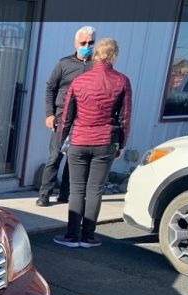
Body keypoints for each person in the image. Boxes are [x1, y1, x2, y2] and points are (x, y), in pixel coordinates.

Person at [54, 38, 132, 248]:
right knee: (95, 190)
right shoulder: (122, 81)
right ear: (114, 55)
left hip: (79, 139)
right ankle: (88, 236)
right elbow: (125, 117)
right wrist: (121, 143)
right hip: (105, 141)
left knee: (76, 189)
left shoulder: (80, 81)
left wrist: (63, 142)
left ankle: (71, 236)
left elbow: (67, 116)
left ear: (95, 54)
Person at [36, 26, 96, 207]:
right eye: (83, 43)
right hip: (62, 117)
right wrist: (49, 114)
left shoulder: (97, 66)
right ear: (75, 43)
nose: (87, 46)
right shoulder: (64, 64)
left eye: (90, 43)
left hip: (84, 120)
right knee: (55, 157)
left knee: (74, 158)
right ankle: (44, 195)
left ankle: (65, 194)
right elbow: (50, 89)